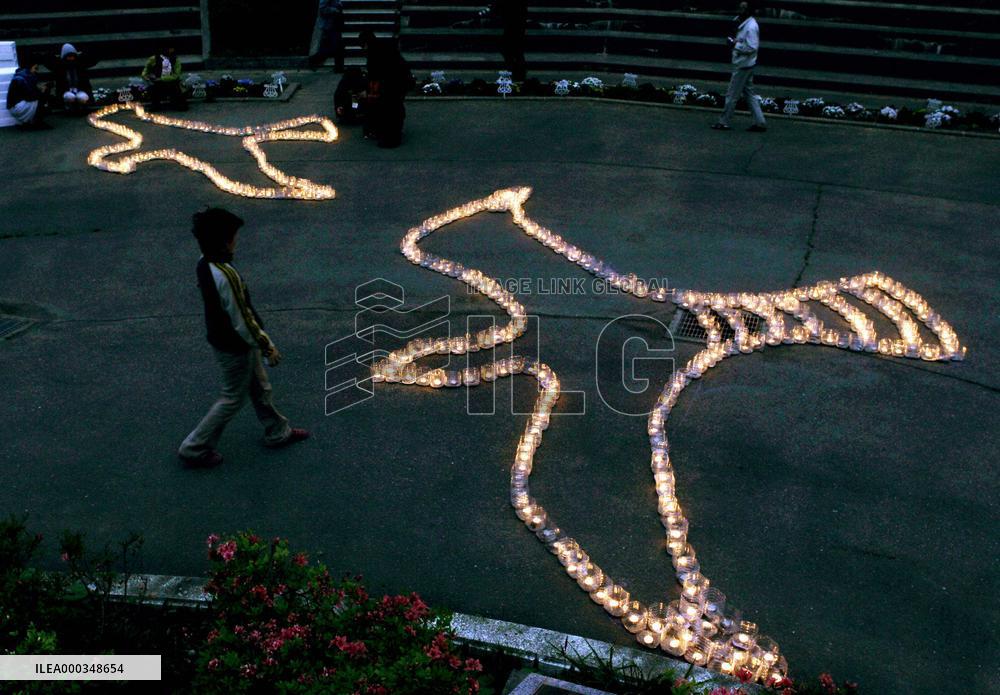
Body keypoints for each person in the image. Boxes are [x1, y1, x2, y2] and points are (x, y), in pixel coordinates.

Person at [178, 208, 309, 467]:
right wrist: (266, 345)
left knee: (260, 387)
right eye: (233, 236)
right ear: (224, 241)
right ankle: (194, 447)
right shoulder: (226, 274)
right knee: (232, 397)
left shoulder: (204, 262)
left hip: (225, 340)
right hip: (235, 345)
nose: (236, 241)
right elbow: (242, 317)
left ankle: (277, 430)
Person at [712, 1, 767, 132]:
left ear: (748, 10)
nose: (740, 10)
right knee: (749, 94)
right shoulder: (744, 23)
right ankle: (760, 122)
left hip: (743, 64)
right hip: (746, 63)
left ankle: (724, 121)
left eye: (743, 8)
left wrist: (735, 45)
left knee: (732, 94)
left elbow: (752, 47)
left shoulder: (751, 27)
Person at [360, 30, 412, 148]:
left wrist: (369, 92)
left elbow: (374, 75)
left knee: (389, 110)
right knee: (396, 107)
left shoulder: (373, 53)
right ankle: (394, 133)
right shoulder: (384, 47)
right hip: (400, 80)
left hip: (391, 83)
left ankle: (391, 139)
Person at [43, 43, 97, 112]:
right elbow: (48, 60)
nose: (71, 58)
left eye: (72, 56)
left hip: (80, 90)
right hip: (67, 92)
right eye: (69, 57)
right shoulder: (59, 67)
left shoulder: (80, 65)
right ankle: (68, 106)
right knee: (70, 97)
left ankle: (81, 106)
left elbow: (93, 59)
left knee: (82, 98)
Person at [6, 58, 52, 129]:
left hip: (15, 106)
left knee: (42, 96)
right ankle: (37, 123)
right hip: (17, 107)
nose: (36, 71)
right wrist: (42, 90)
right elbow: (30, 97)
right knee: (43, 97)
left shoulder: (22, 76)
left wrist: (39, 89)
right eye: (35, 68)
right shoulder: (23, 78)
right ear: (30, 68)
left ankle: (31, 122)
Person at [496, 0, 527, 81]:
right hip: (516, 21)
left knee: (513, 51)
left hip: (514, 21)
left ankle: (517, 73)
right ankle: (517, 73)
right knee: (515, 51)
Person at [310, 0, 345, 72]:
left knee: (336, 46)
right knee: (335, 47)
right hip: (329, 25)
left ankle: (339, 67)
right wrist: (335, 10)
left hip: (334, 24)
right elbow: (322, 9)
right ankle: (314, 60)